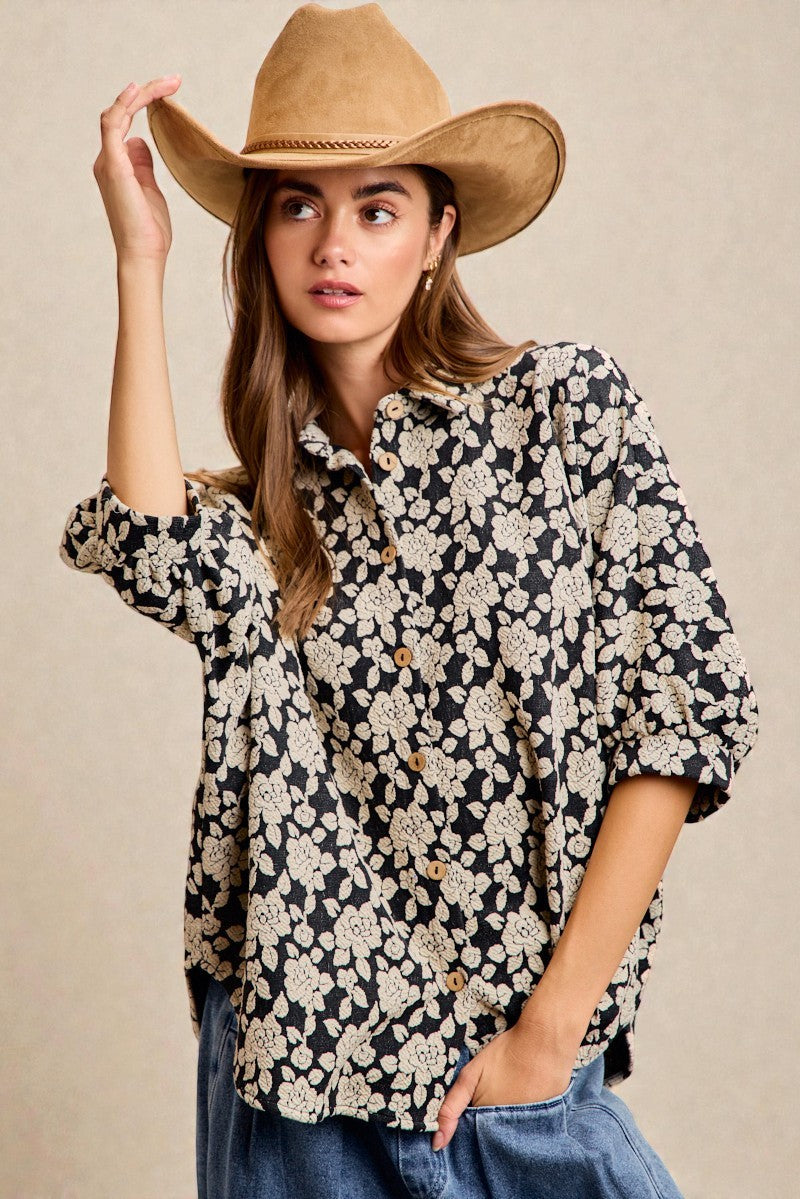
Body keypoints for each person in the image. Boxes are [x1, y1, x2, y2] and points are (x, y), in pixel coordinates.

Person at [59, 4, 759, 1197]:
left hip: (520, 1083)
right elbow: (148, 543)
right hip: (298, 1100)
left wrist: (549, 1032)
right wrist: (140, 261)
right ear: (262, 238)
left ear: (436, 234)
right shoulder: (261, 521)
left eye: (376, 207)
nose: (334, 243)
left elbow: (684, 708)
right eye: (296, 204)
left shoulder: (563, 412)